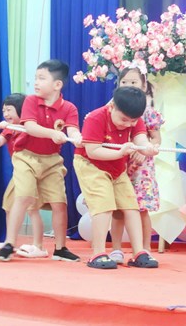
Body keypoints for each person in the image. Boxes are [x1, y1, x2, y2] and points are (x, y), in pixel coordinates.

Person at [0, 60, 82, 262]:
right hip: (26, 157)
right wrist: (52, 133)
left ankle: (60, 248)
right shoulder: (31, 101)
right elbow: (30, 127)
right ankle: (9, 243)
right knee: (23, 197)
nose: (36, 82)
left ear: (57, 84)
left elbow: (72, 129)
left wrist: (76, 136)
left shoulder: (69, 108)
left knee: (60, 203)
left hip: (52, 161)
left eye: (41, 78)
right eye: (35, 78)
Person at [73, 86, 160, 270]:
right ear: (112, 106)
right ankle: (98, 253)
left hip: (117, 167)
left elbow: (141, 140)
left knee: (131, 206)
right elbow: (93, 151)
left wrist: (148, 149)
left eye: (132, 121)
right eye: (124, 120)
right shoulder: (95, 118)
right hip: (91, 165)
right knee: (104, 205)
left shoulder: (134, 120)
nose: (127, 125)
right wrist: (120, 153)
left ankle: (139, 253)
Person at [0, 93, 48, 258]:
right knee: (9, 205)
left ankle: (38, 245)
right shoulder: (9, 128)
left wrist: (13, 126)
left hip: (31, 172)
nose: (6, 114)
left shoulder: (30, 126)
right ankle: (10, 241)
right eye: (4, 110)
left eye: (9, 110)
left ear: (21, 109)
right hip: (18, 173)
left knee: (32, 209)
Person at [109, 67, 163, 265]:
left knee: (141, 209)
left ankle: (144, 249)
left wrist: (143, 150)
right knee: (117, 208)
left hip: (141, 167)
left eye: (134, 82)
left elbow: (156, 139)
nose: (129, 85)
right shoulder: (112, 107)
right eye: (124, 82)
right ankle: (116, 250)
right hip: (119, 162)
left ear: (144, 85)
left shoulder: (148, 112)